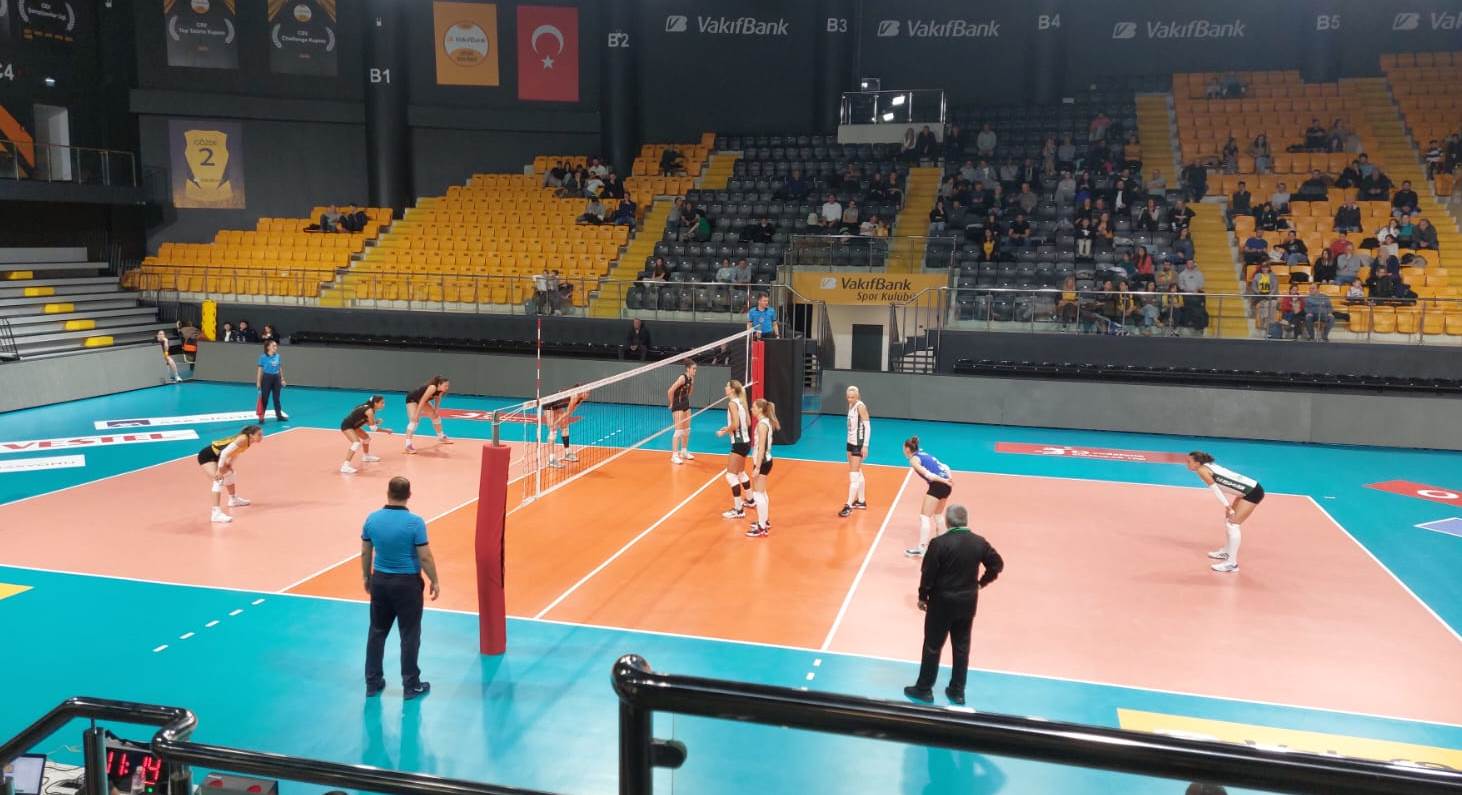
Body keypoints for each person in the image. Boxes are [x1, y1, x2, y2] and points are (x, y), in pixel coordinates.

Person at [902, 503, 1003, 706]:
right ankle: (957, 692)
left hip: (941, 603)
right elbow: (997, 564)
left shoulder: (939, 544)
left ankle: (924, 689)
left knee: (932, 646)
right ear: (965, 520)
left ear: (948, 522)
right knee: (961, 647)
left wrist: (923, 596)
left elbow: (928, 574)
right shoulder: (979, 542)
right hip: (967, 603)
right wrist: (980, 584)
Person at [362, 476, 438, 700]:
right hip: (407, 586)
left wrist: (366, 576)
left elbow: (366, 552)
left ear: (388, 492)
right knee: (409, 635)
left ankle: (373, 683)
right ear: (409, 495)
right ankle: (411, 685)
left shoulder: (372, 520)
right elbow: (425, 557)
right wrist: (434, 580)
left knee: (377, 632)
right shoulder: (415, 523)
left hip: (380, 582)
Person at [1186, 451, 1263, 574]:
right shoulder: (1207, 465)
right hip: (1245, 492)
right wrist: (1229, 507)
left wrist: (1227, 506)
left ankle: (1231, 564)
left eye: (1189, 461)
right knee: (1229, 520)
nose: (1187, 464)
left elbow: (1216, 490)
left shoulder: (1202, 470)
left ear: (1197, 463)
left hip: (1252, 492)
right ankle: (1226, 552)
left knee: (1233, 524)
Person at [197, 425, 262, 524]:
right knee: (218, 480)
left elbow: (236, 452)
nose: (262, 437)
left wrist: (229, 463)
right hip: (207, 456)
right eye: (259, 434)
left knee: (230, 474)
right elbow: (224, 453)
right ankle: (215, 514)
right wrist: (219, 470)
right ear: (251, 435)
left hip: (218, 456)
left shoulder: (249, 441)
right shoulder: (243, 439)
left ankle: (233, 500)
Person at [903, 436, 953, 558]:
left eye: (903, 448)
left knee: (924, 517)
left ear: (907, 449)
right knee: (938, 515)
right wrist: (948, 479)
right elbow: (945, 466)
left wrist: (943, 481)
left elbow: (928, 475)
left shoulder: (914, 460)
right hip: (946, 487)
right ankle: (944, 546)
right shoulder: (923, 453)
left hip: (938, 484)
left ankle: (921, 549)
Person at [715, 380, 756, 519]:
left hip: (738, 443)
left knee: (731, 476)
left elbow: (736, 424)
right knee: (740, 472)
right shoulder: (742, 402)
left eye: (727, 386)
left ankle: (738, 510)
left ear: (732, 389)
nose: (725, 387)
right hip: (746, 442)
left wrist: (724, 431)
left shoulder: (732, 403)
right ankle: (750, 500)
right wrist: (730, 428)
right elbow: (748, 423)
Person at [744, 399, 779, 538]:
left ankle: (762, 527)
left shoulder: (762, 425)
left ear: (760, 409)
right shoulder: (765, 422)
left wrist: (757, 467)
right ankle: (764, 521)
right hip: (766, 461)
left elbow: (761, 448)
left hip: (762, 462)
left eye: (753, 407)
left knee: (758, 494)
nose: (751, 409)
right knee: (762, 492)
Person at [838, 386, 871, 518]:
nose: (850, 399)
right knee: (857, 471)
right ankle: (861, 501)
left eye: (852, 397)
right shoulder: (851, 406)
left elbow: (868, 427)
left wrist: (865, 446)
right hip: (850, 443)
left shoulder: (860, 407)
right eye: (848, 397)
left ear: (857, 396)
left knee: (853, 476)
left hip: (858, 444)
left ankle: (849, 505)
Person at [340, 395, 392, 474]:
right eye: (382, 403)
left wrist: (375, 422)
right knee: (356, 443)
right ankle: (345, 466)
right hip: (347, 425)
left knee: (366, 438)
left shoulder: (369, 409)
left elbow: (366, 421)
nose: (383, 405)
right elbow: (373, 428)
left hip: (354, 426)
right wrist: (386, 430)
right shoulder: (369, 411)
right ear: (375, 403)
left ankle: (366, 456)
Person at [403, 376, 452, 454]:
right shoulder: (432, 387)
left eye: (448, 386)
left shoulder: (441, 390)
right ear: (439, 384)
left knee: (435, 416)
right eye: (445, 385)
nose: (447, 387)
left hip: (421, 400)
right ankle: (407, 445)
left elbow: (438, 398)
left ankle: (441, 437)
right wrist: (417, 414)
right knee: (414, 421)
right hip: (412, 399)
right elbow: (422, 400)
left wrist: (436, 409)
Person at [545, 388, 588, 468]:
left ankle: (567, 453)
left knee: (565, 426)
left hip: (557, 406)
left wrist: (561, 420)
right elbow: (568, 412)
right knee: (553, 430)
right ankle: (551, 460)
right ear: (581, 392)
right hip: (548, 404)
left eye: (588, 393)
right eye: (586, 392)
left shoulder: (580, 399)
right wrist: (556, 422)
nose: (587, 395)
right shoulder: (574, 396)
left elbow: (571, 411)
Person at [667, 360, 696, 465]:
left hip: (686, 405)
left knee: (687, 430)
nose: (695, 371)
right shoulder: (682, 378)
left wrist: (691, 385)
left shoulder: (691, 379)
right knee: (678, 431)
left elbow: (689, 392)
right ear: (688, 369)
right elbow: (670, 390)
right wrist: (672, 403)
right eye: (693, 369)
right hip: (678, 405)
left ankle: (683, 451)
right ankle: (674, 456)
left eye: (695, 369)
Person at [255, 340, 288, 423]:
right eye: (273, 346)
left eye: (276, 346)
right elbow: (260, 370)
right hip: (266, 378)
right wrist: (258, 382)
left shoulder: (278, 356)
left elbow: (279, 368)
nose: (275, 347)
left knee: (276, 398)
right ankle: (261, 417)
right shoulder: (263, 357)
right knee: (264, 398)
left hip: (276, 378)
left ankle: (279, 415)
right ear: (268, 347)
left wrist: (282, 379)